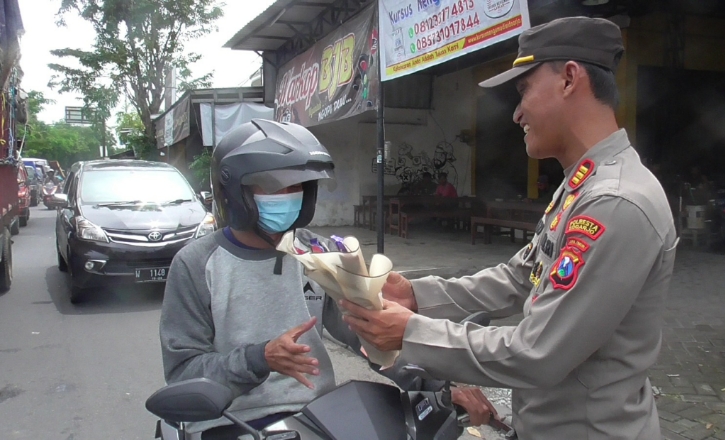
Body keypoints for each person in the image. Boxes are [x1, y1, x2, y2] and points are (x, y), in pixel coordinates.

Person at [340, 17, 678, 440]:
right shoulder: (582, 186)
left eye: (523, 90)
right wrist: (415, 295)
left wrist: (410, 332)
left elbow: (538, 353)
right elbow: (519, 277)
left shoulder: (615, 201)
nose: (517, 112)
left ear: (570, 78)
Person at [159, 119, 496, 440]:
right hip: (238, 423)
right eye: (276, 186)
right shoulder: (196, 265)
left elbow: (365, 332)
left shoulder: (315, 251)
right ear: (236, 190)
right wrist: (259, 358)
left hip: (319, 417)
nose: (290, 195)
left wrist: (438, 387)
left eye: (298, 186)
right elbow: (183, 373)